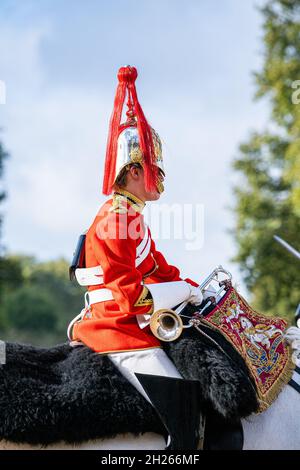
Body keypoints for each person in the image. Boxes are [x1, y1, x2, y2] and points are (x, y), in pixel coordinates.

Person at [68, 66, 204, 449]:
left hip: (132, 322)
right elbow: (131, 295)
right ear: (131, 171)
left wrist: (193, 289)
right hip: (117, 329)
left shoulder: (132, 217)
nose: (159, 175)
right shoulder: (115, 218)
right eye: (152, 167)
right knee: (184, 404)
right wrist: (178, 291)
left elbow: (159, 267)